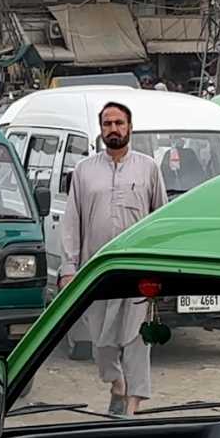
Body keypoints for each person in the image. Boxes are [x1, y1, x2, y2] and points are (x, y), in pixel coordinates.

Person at [58, 100, 167, 416]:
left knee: (136, 341)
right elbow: (72, 222)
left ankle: (131, 407)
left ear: (130, 127)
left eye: (119, 123)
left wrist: (158, 266)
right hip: (97, 271)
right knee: (102, 344)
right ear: (101, 129)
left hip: (137, 271)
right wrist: (69, 268)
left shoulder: (148, 168)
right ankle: (116, 384)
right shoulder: (84, 171)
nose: (114, 129)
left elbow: (159, 218)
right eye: (108, 124)